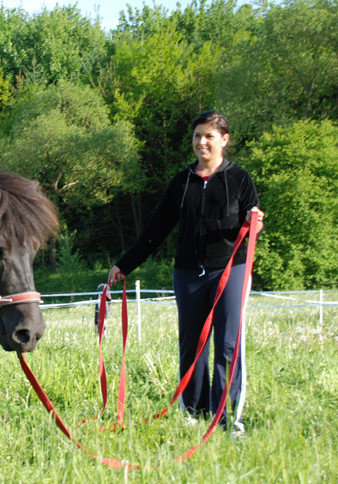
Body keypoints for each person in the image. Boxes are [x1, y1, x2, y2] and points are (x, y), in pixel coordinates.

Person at [107, 111, 264, 434]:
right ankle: (194, 413)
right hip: (189, 273)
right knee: (191, 345)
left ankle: (228, 416)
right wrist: (125, 264)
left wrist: (255, 224)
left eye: (208, 135)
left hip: (230, 270)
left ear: (224, 139)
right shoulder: (182, 182)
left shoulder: (239, 178)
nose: (201, 142)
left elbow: (253, 223)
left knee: (228, 344)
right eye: (197, 136)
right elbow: (156, 229)